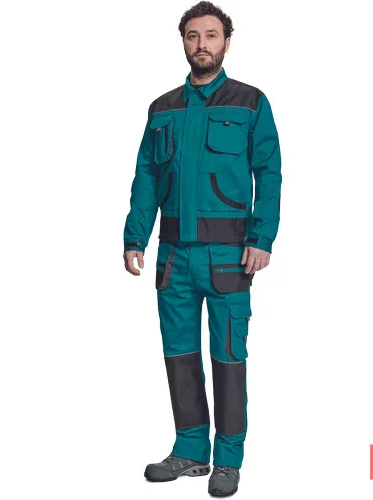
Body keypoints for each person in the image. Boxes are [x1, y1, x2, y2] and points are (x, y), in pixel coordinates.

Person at [123, 1, 282, 496]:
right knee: (180, 355)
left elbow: (269, 174)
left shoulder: (250, 102)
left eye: (211, 35)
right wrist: (134, 237)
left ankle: (228, 458)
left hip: (230, 256)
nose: (202, 45)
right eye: (193, 36)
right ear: (184, 43)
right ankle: (190, 450)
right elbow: (146, 177)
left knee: (228, 358)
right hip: (173, 257)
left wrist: (262, 238)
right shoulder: (162, 108)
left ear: (227, 42)